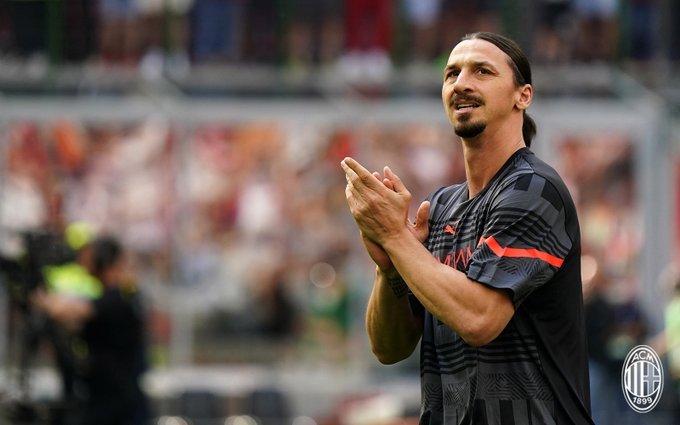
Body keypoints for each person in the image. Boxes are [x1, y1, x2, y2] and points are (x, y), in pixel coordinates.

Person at [341, 32, 593, 424]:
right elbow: (388, 348)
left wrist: (395, 237)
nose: (460, 83)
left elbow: (479, 320)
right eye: (451, 74)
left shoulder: (533, 189)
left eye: (482, 71)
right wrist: (388, 266)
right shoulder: (441, 207)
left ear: (522, 96)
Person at [33, 236, 150, 425]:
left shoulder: (120, 297)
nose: (83, 264)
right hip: (107, 397)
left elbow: (69, 310)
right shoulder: (115, 296)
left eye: (89, 258)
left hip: (118, 403)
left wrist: (39, 297)